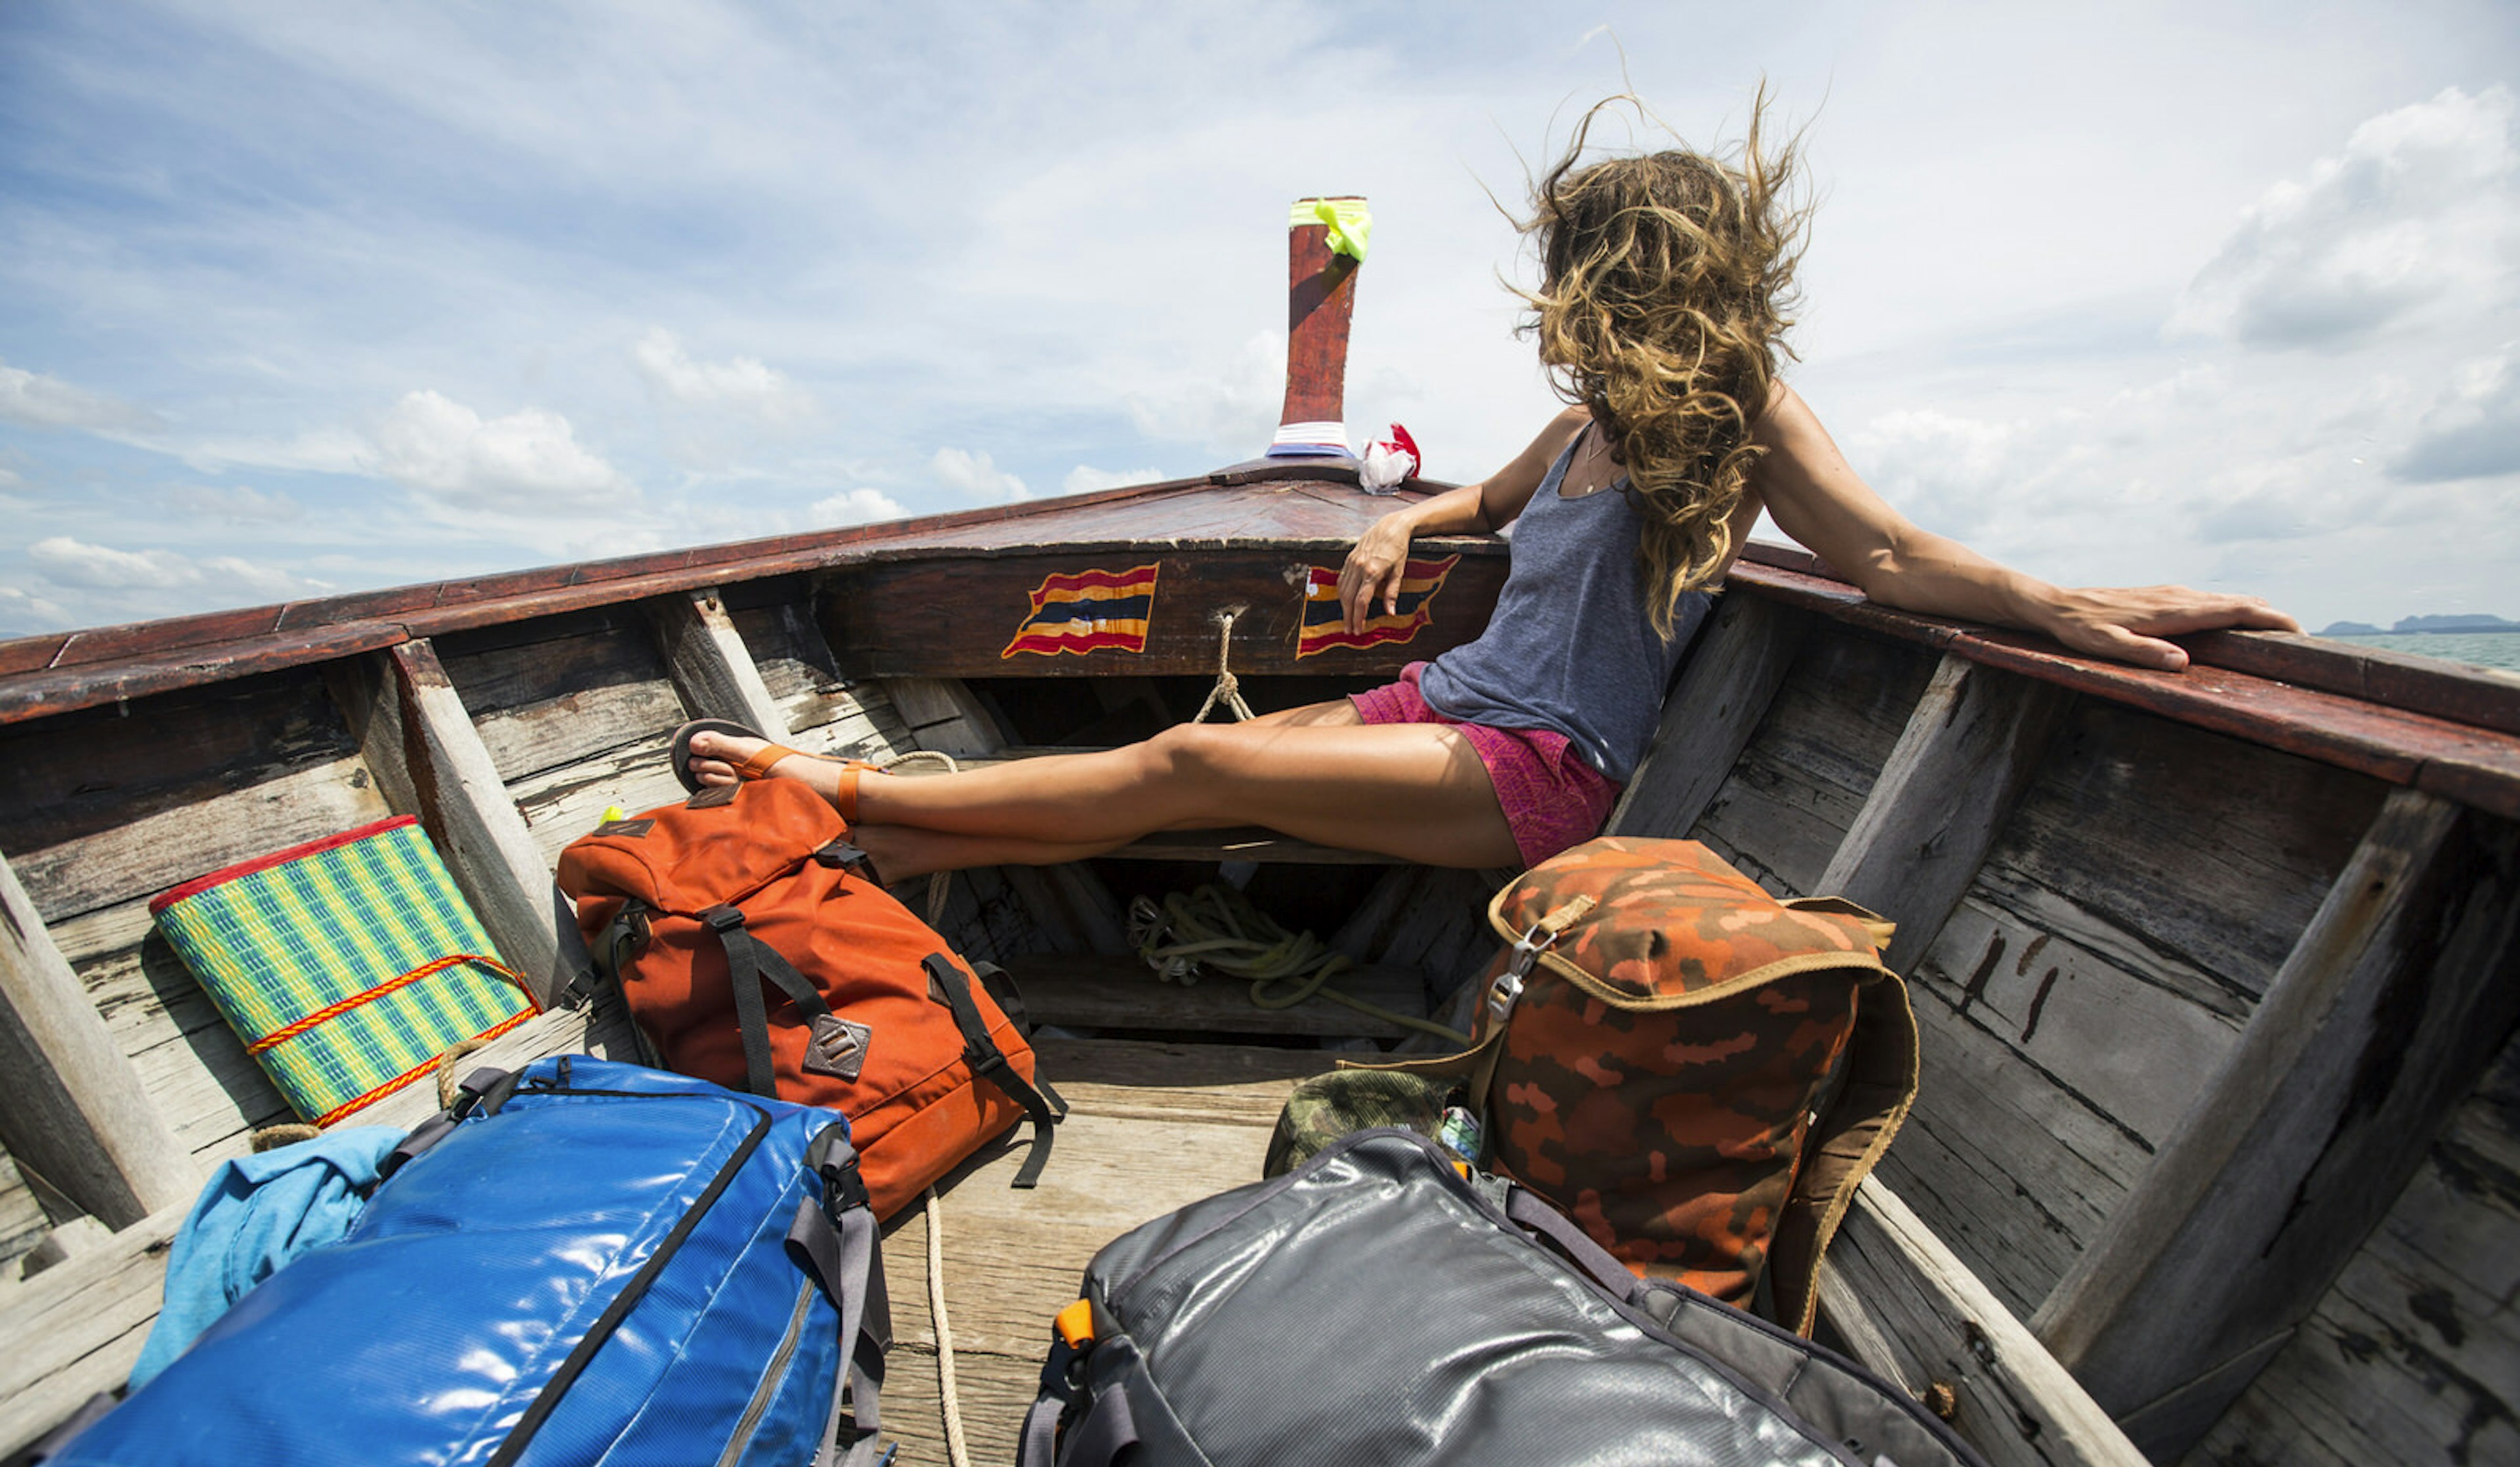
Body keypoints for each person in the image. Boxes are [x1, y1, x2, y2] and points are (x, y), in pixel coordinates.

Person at [686, 100, 2296, 880]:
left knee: (1188, 757)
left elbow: (1881, 553)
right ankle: (869, 848)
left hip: (1538, 766)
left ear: (1644, 271)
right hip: (1448, 698)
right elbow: (1488, 502)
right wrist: (1402, 516)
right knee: (1217, 756)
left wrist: (2068, 604)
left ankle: (841, 796)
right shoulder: (1592, 415)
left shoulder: (1734, 413)